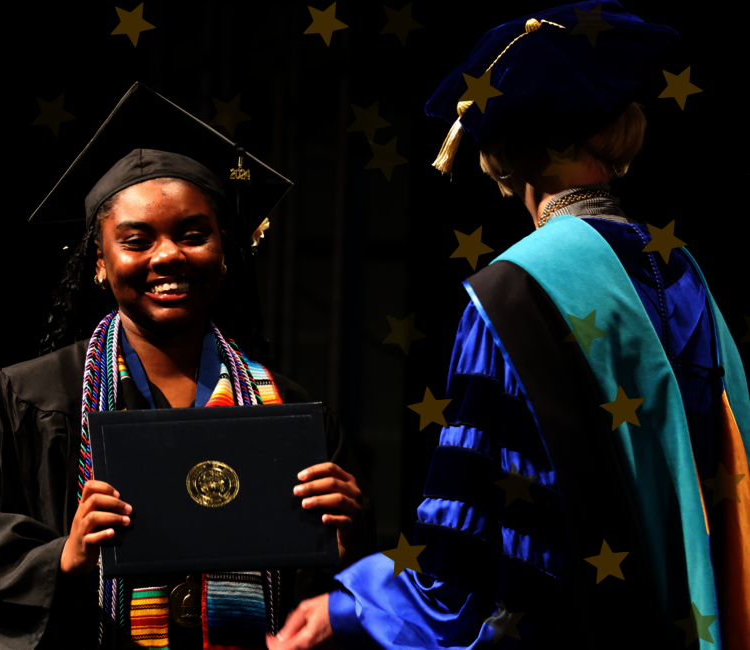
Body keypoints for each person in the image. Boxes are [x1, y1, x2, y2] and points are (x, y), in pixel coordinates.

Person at [267, 2, 749, 648]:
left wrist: (351, 608)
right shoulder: (685, 272)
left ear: (504, 151)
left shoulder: (517, 290)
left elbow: (471, 553)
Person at [0, 83, 376, 649]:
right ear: (99, 263)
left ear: (225, 252)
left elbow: (322, 600)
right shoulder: (24, 400)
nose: (167, 256)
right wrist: (62, 557)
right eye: (136, 241)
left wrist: (343, 548)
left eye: (193, 235)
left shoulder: (288, 412)